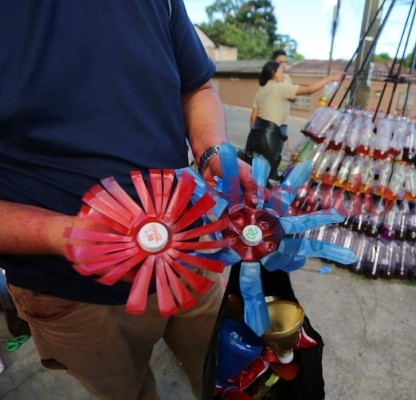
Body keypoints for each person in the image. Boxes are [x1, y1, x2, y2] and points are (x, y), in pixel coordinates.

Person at [0, 1, 255, 399]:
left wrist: (211, 150)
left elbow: (197, 87)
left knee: (227, 374)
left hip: (191, 253)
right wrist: (59, 234)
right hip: (70, 291)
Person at [245, 60, 343, 180]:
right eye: (281, 71)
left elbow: (253, 117)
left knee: (256, 172)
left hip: (255, 136)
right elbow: (310, 89)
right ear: (274, 73)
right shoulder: (280, 87)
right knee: (264, 176)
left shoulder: (261, 90)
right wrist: (330, 78)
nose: (283, 73)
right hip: (269, 138)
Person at [271, 49, 294, 138]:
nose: (284, 64)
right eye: (281, 62)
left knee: (278, 150)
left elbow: (292, 97)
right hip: (271, 122)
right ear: (273, 62)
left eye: (285, 62)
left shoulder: (287, 78)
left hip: (283, 123)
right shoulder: (269, 78)